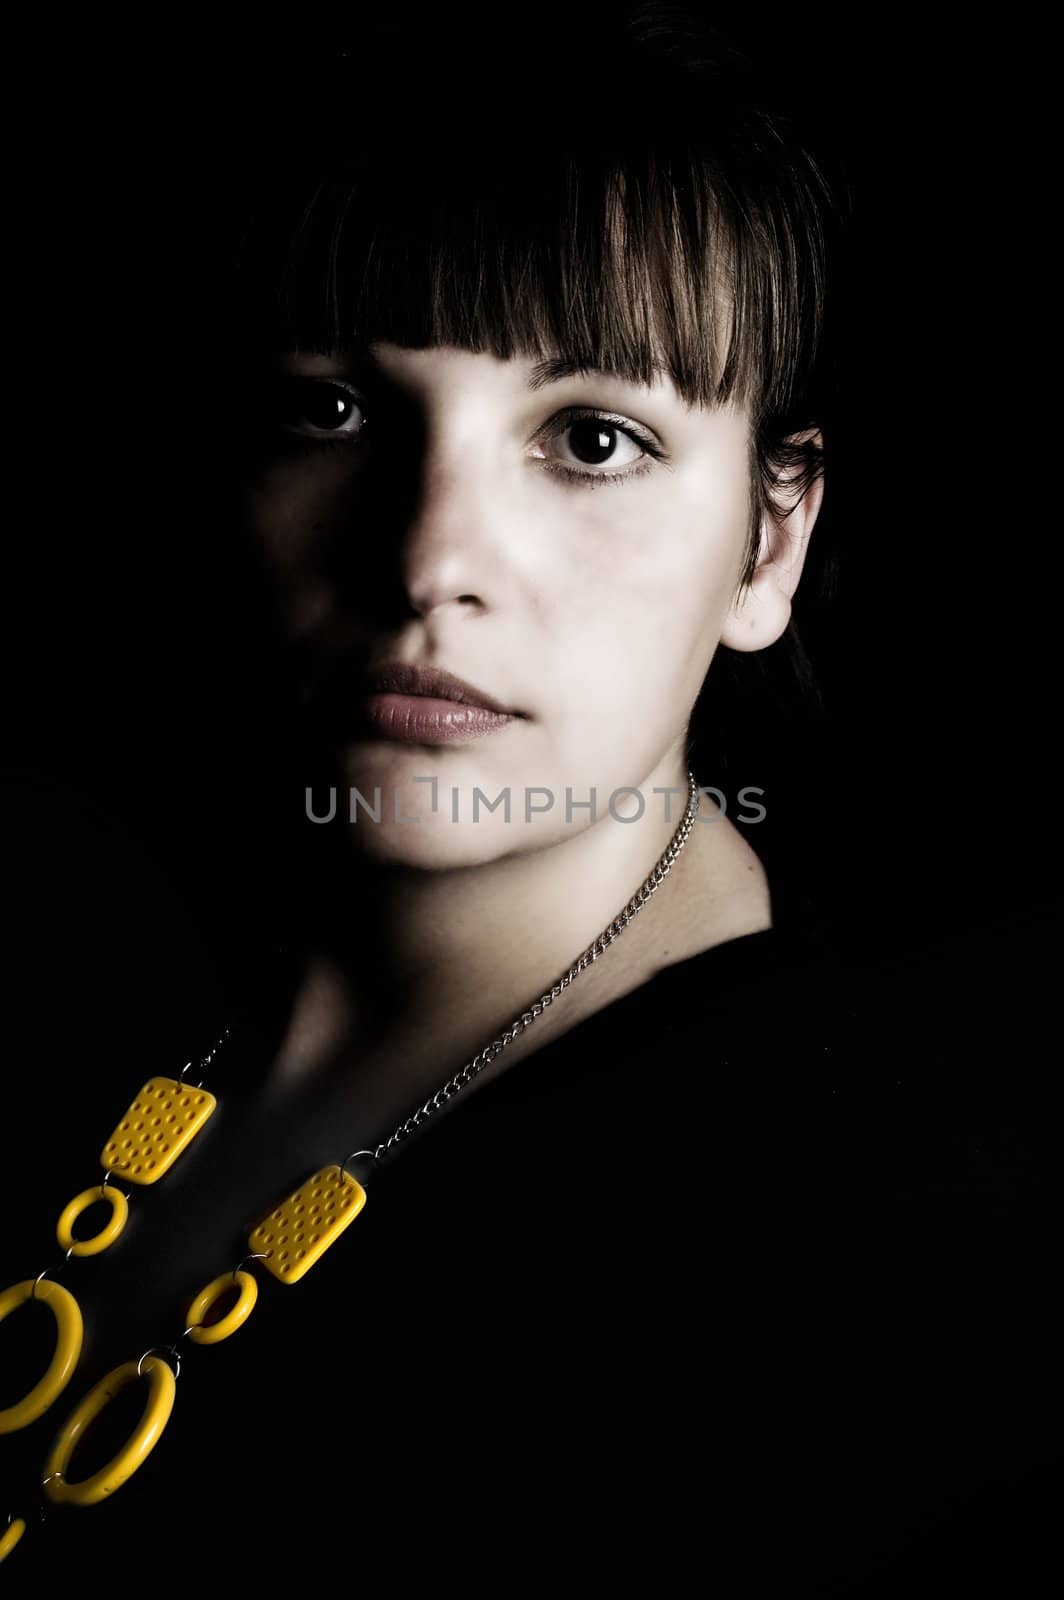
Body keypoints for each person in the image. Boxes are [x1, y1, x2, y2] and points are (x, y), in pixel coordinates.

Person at [3, 10, 1057, 1593]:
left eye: (592, 438)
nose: (429, 565)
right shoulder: (67, 924)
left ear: (769, 547)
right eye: (337, 411)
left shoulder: (869, 1282)